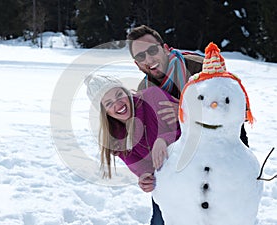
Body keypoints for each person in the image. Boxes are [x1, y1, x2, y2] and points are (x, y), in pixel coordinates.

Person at [127, 24, 249, 224]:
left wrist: (186, 112)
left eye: (152, 50)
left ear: (165, 48)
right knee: (162, 218)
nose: (148, 60)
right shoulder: (144, 91)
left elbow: (237, 111)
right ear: (136, 63)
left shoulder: (200, 68)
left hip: (218, 157)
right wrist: (145, 173)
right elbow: (146, 142)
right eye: (141, 56)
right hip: (177, 163)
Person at [84, 74, 181, 180]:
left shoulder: (153, 97)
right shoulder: (117, 139)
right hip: (171, 181)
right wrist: (146, 178)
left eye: (119, 95)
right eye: (109, 103)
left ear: (126, 92)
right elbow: (145, 170)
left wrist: (164, 139)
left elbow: (194, 130)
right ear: (105, 113)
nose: (118, 103)